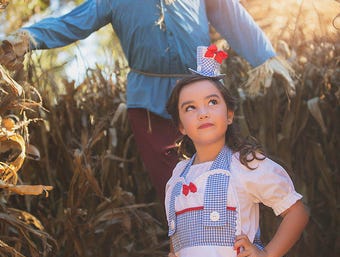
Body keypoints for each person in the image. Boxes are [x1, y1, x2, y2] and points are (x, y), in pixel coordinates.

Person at [0, 0, 295, 201]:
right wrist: (28, 38)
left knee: (224, 178)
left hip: (202, 94)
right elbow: (71, 23)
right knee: (176, 190)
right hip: (149, 104)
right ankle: (189, 253)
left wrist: (264, 58)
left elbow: (232, 15)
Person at [164, 46, 308, 257]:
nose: (203, 112)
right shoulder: (177, 177)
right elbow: (179, 237)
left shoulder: (245, 164)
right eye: (190, 107)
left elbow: (297, 213)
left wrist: (267, 255)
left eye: (212, 102)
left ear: (229, 114)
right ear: (181, 126)